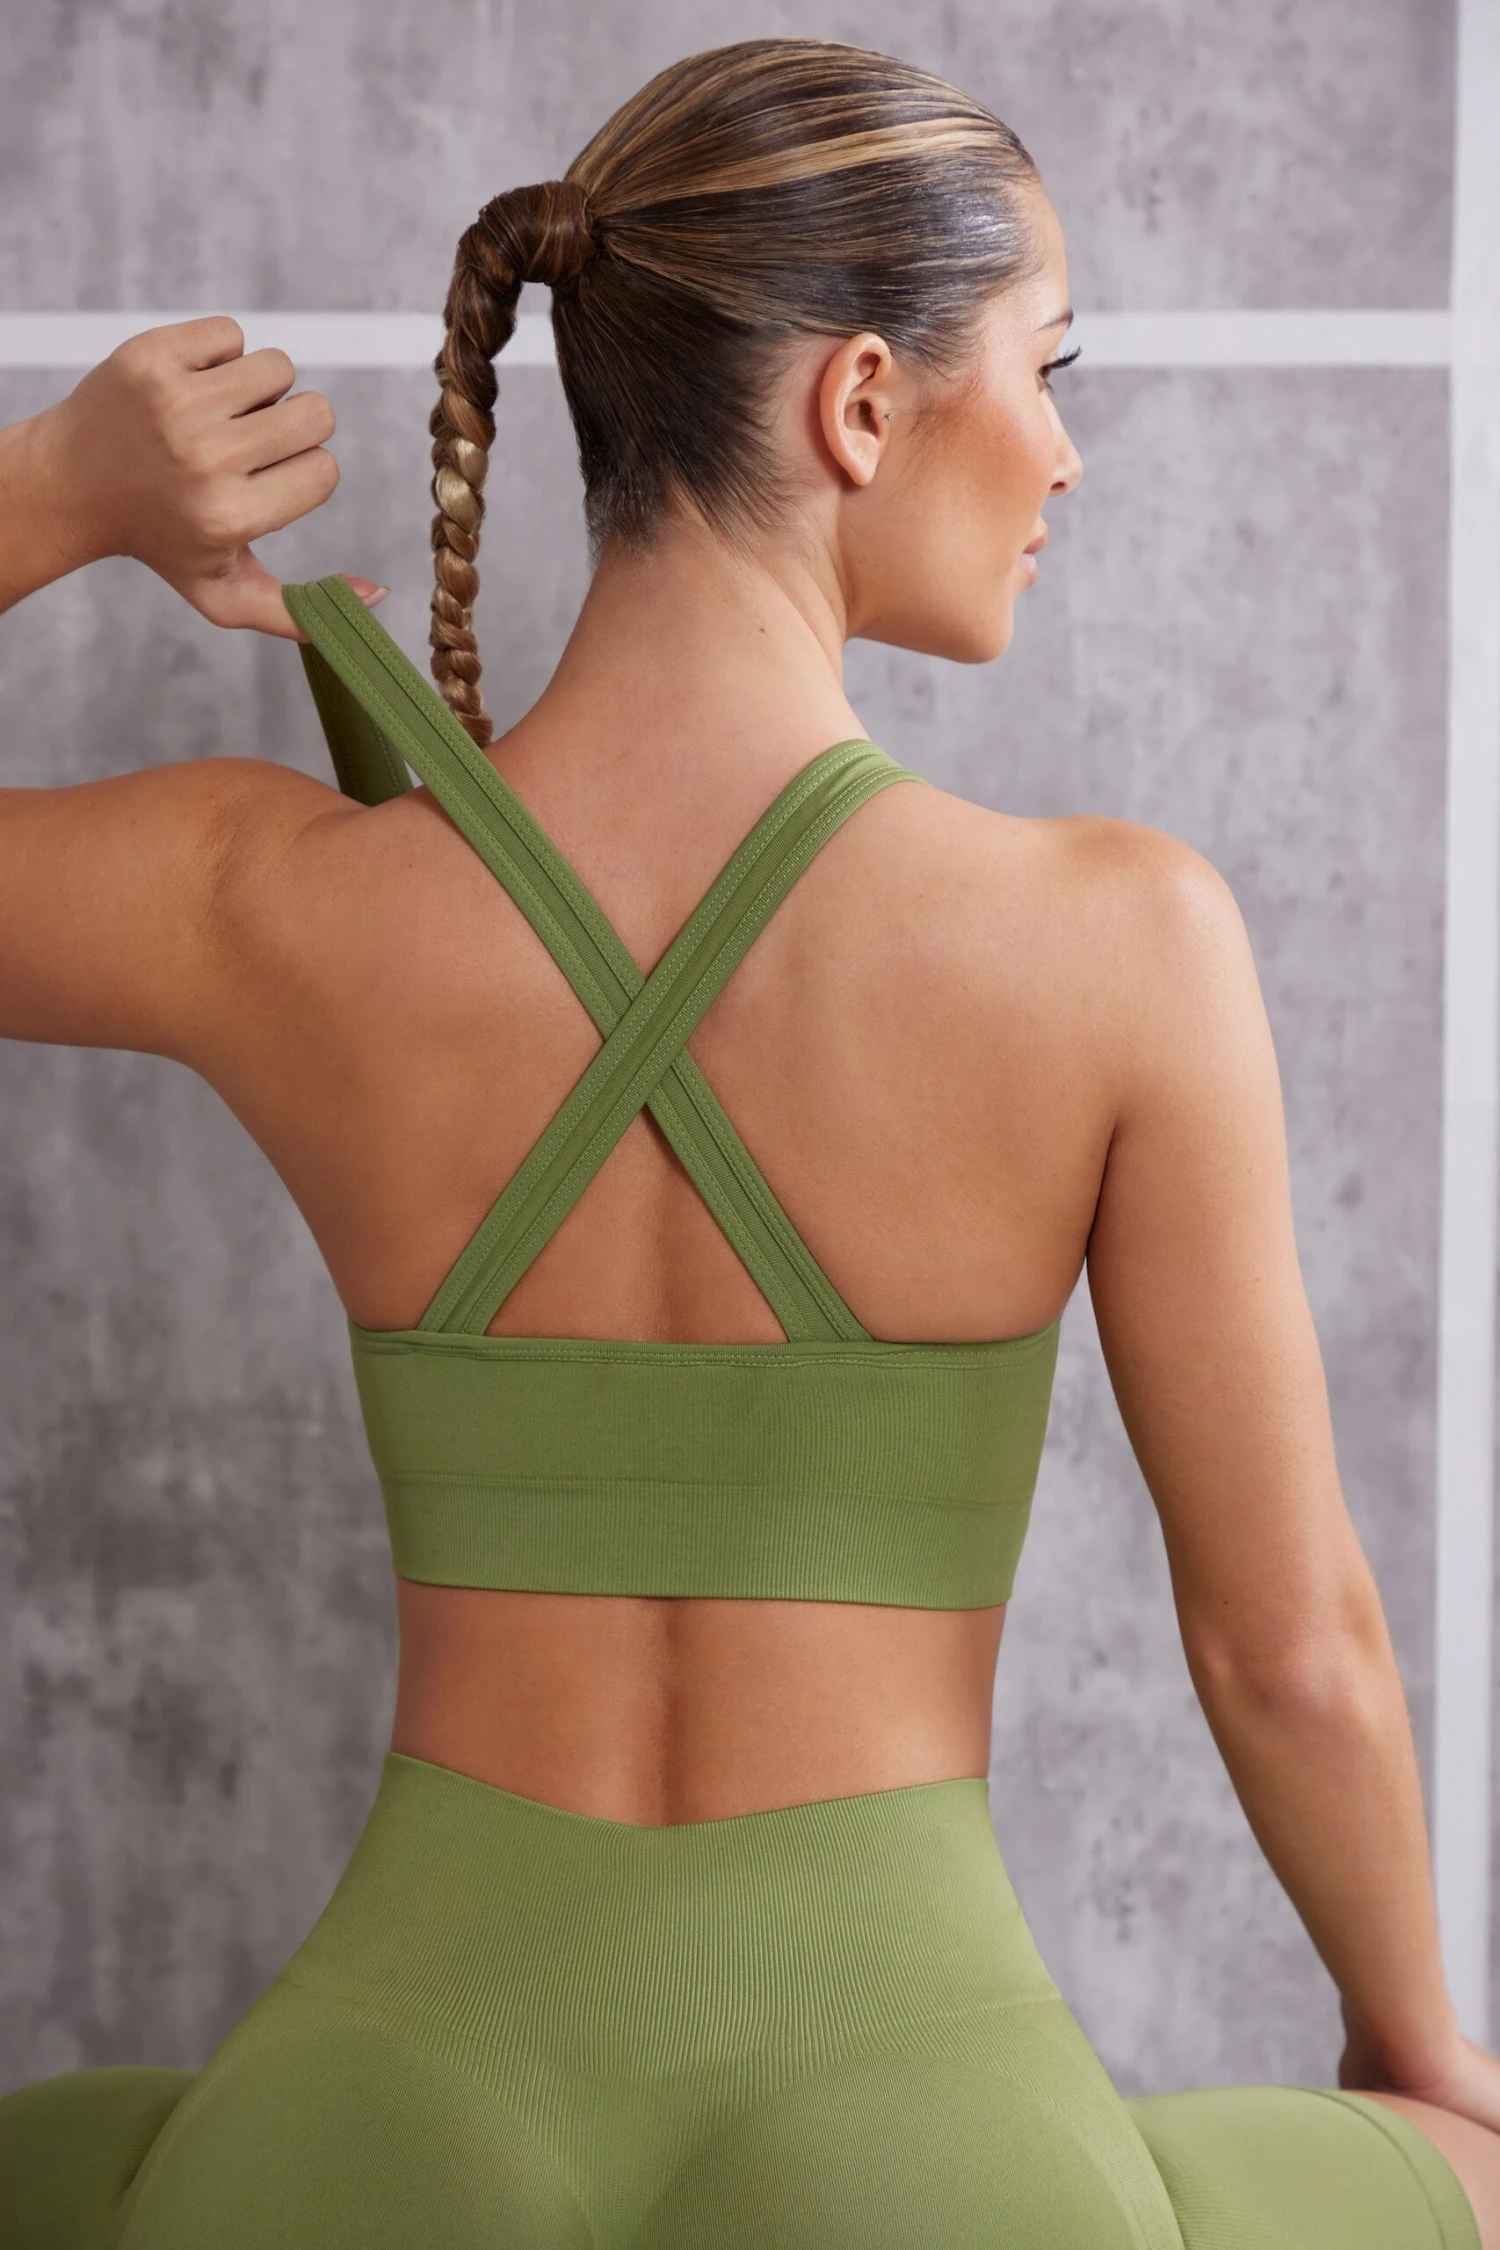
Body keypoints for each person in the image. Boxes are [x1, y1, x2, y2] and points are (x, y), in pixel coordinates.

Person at [0, 32, 1495, 2250]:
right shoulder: (1121, 945)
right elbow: (1288, 1648)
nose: (1067, 451)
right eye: (1050, 367)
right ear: (863, 403)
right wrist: (1420, 2047)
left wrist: (50, 488)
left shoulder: (281, 908)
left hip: (364, 2119)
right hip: (932, 2143)